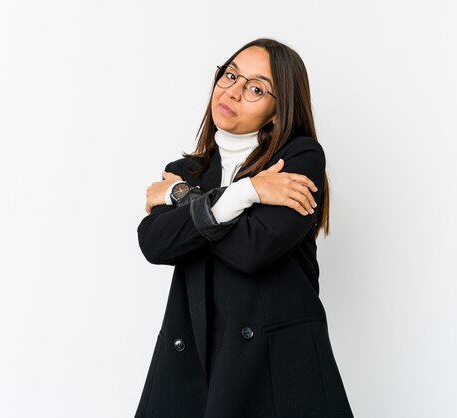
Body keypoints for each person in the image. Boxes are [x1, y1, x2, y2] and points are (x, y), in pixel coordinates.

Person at [135, 38, 354, 418]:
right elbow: (154, 243)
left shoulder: (298, 160)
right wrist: (248, 192)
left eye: (255, 88)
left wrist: (182, 199)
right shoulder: (187, 172)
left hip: (276, 366)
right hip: (193, 359)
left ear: (277, 110)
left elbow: (252, 250)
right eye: (230, 75)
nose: (233, 92)